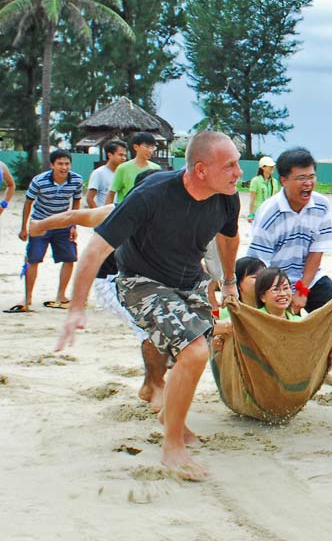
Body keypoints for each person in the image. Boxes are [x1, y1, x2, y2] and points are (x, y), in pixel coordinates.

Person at [56, 131, 242, 481]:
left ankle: (168, 416)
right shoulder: (150, 196)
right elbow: (95, 249)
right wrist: (76, 307)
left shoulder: (227, 197)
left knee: (195, 351)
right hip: (141, 282)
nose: (238, 172)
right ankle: (172, 446)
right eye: (230, 165)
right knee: (196, 350)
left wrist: (230, 280)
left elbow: (229, 237)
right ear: (201, 170)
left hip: (189, 280)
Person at [31, 169, 173, 409]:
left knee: (171, 329)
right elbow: (75, 215)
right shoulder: (117, 211)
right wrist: (40, 225)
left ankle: (153, 382)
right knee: (152, 329)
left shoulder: (170, 214)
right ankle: (155, 386)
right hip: (110, 282)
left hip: (143, 282)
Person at [247, 148, 332, 371]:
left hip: (308, 275)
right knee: (279, 329)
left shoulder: (321, 205)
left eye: (312, 177)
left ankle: (323, 366)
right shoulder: (269, 213)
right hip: (273, 279)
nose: (308, 184)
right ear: (283, 180)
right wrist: (283, 292)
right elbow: (259, 265)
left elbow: (317, 250)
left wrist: (302, 290)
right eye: (301, 178)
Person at [6, 150, 84, 313]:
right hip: (40, 223)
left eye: (67, 163)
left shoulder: (76, 180)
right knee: (33, 259)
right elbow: (28, 203)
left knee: (69, 258)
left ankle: (61, 295)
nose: (64, 167)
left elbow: (76, 201)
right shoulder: (39, 181)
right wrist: (24, 228)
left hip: (63, 223)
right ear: (52, 165)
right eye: (60, 164)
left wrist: (73, 225)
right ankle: (28, 298)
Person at [106, 131, 160, 204]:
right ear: (136, 147)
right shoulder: (123, 168)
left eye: (152, 147)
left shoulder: (156, 169)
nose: (150, 150)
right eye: (147, 147)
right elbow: (111, 193)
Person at [86, 140, 127, 208]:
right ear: (110, 155)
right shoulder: (99, 173)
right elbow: (89, 199)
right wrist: (99, 215)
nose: (123, 158)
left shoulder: (124, 172)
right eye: (120, 155)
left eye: (125, 155)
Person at [247, 156, 279, 223]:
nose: (273, 167)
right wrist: (251, 214)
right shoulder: (255, 181)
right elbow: (252, 199)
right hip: (258, 214)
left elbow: (275, 199)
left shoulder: (274, 182)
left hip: (270, 214)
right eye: (270, 166)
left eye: (273, 166)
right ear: (263, 167)